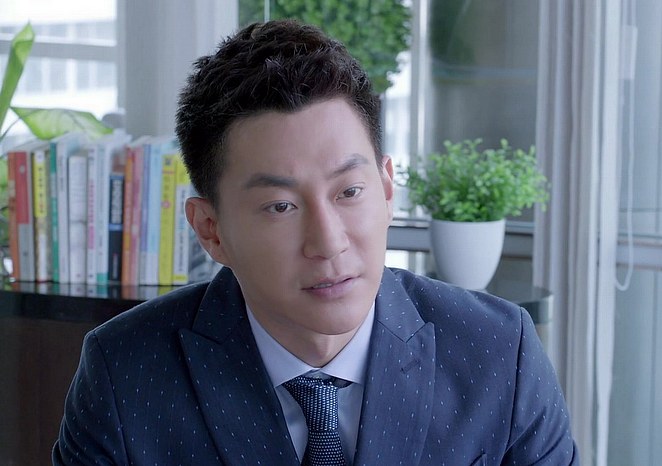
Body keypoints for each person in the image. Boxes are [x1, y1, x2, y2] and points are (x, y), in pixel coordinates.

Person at [53, 19, 578, 465]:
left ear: (387, 189)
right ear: (211, 230)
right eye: (281, 206)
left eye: (349, 191)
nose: (328, 243)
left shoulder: (498, 351)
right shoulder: (125, 376)